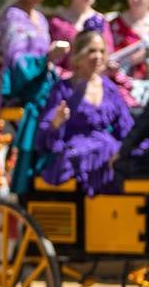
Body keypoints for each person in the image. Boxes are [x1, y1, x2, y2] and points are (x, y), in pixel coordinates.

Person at [0, 0, 70, 194]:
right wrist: (46, 58)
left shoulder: (42, 20)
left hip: (46, 90)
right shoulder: (12, 17)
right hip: (24, 94)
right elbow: (17, 62)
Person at [35, 20, 137, 196]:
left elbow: (125, 127)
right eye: (91, 51)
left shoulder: (110, 88)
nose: (98, 56)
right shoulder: (63, 89)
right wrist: (57, 122)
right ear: (78, 56)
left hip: (107, 147)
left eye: (102, 51)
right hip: (77, 150)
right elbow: (45, 134)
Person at [50, 0, 137, 106]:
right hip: (68, 92)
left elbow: (107, 57)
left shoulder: (101, 21)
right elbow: (54, 64)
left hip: (98, 91)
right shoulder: (58, 23)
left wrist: (110, 66)